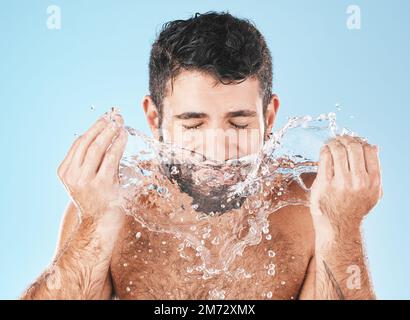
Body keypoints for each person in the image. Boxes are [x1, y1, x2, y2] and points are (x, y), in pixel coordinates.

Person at [21, 12, 382, 300]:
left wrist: (342, 225)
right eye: (192, 125)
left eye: (239, 124)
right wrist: (95, 223)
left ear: (269, 118)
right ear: (154, 118)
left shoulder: (311, 205)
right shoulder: (115, 200)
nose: (217, 152)